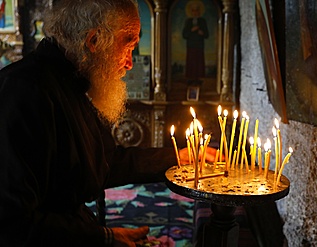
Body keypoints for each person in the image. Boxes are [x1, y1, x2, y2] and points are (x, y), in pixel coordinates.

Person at [0, 0, 216, 246]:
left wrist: (179, 157)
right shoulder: (25, 93)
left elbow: (102, 164)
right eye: (128, 46)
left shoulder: (69, 84)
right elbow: (12, 224)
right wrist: (103, 238)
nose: (130, 63)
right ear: (94, 41)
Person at [182, 0, 209, 85]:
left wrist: (202, 33)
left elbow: (207, 35)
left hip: (199, 46)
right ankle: (190, 78)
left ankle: (198, 79)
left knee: (199, 62)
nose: (195, 12)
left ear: (199, 11)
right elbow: (184, 34)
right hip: (191, 45)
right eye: (193, 11)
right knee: (191, 61)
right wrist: (191, 30)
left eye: (196, 10)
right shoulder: (188, 21)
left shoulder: (202, 21)